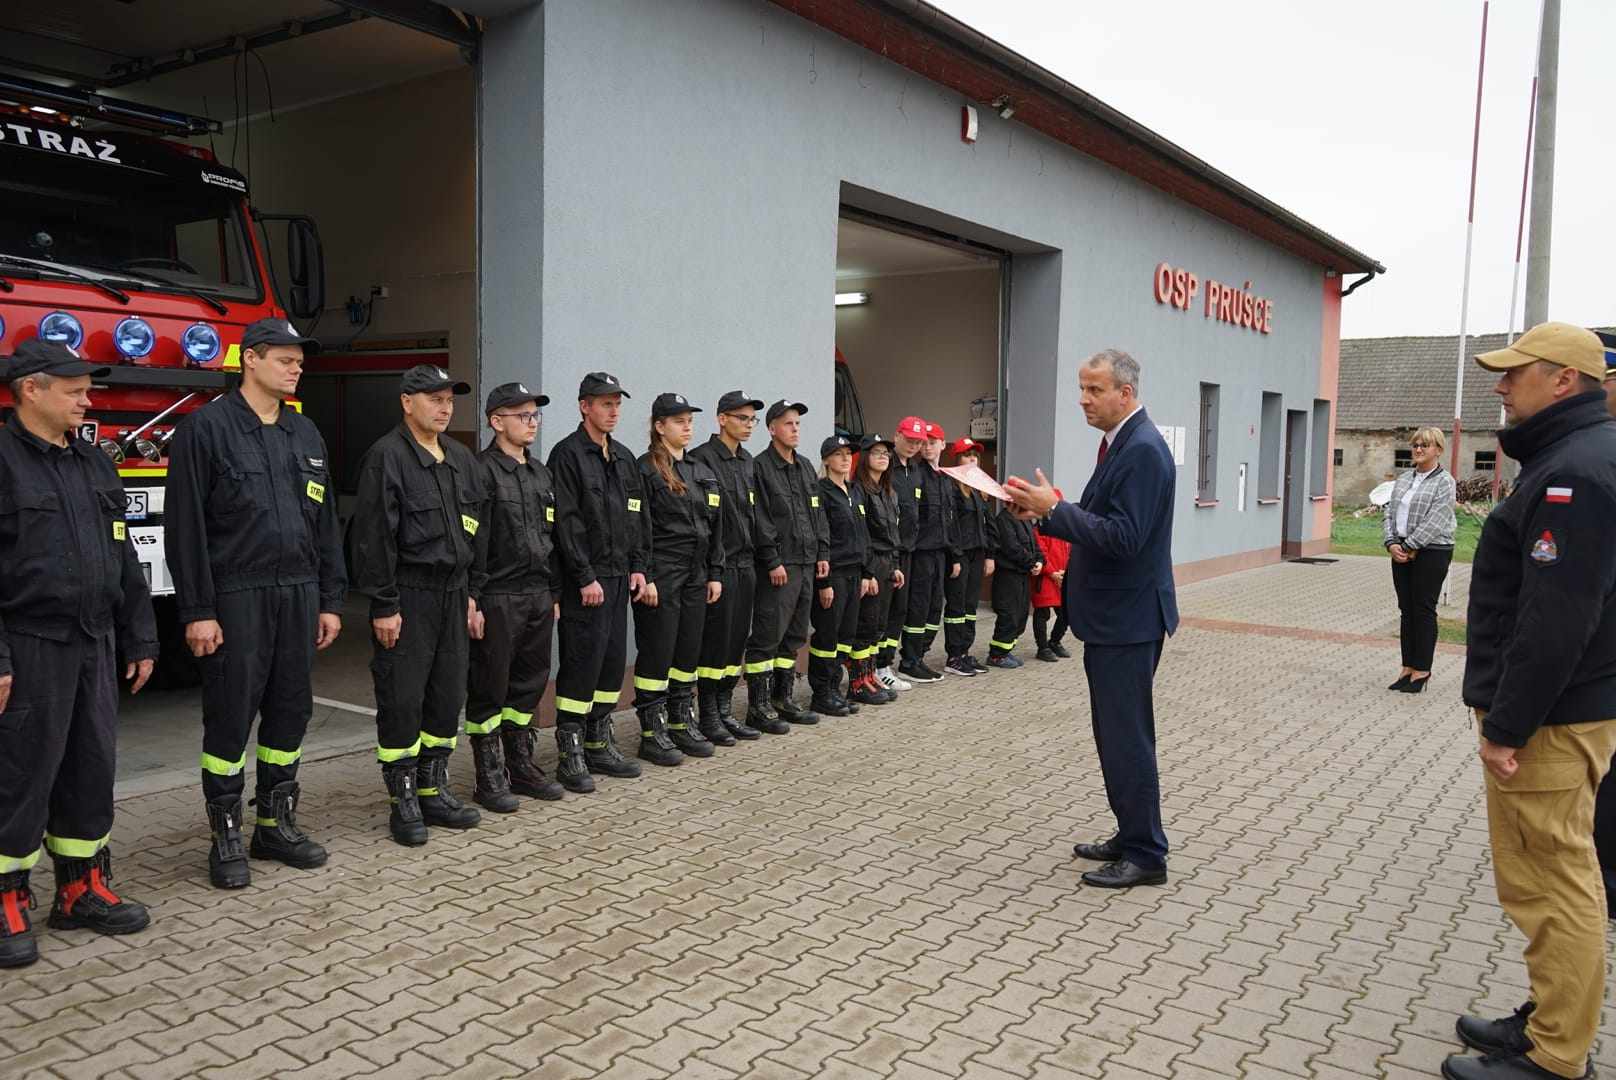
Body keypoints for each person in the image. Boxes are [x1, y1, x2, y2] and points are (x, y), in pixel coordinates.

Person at [1447, 322, 1616, 1080]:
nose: (1501, 384)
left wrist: (1507, 725)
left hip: (1552, 716)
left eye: (1516, 372)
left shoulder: (1574, 473)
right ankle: (1551, 1018)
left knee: (1553, 883)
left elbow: (1556, 620)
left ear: (1563, 380)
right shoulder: (1575, 456)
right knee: (1546, 879)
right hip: (1569, 706)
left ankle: (1554, 1055)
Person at [165, 318, 346, 889]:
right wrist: (198, 610)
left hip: (298, 592)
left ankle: (275, 824)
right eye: (285, 360)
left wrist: (330, 598)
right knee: (230, 715)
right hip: (236, 596)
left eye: (300, 362)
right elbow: (185, 530)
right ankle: (226, 835)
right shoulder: (205, 430)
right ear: (250, 359)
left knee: (291, 709)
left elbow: (325, 523)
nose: (296, 369)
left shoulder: (305, 432)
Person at [0, 340, 156, 968]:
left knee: (90, 766)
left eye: (88, 390)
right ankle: (6, 897)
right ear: (30, 390)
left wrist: (140, 635)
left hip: (94, 642)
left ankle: (80, 888)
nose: (87, 401)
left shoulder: (93, 462)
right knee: (20, 772)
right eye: (74, 391)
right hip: (30, 642)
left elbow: (124, 553)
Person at [1005, 348, 1177, 891]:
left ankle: (1146, 854)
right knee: (1115, 734)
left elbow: (1124, 538)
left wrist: (1056, 509)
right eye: (1082, 388)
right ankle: (1132, 833)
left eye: (1094, 389)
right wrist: (1046, 513)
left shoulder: (1142, 449)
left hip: (1129, 620)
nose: (1083, 399)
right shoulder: (1122, 443)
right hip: (1115, 618)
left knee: (1127, 737)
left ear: (1125, 393)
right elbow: (1104, 518)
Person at [347, 365, 487, 845]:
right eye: (434, 399)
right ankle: (403, 799)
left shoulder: (461, 458)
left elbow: (478, 530)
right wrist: (385, 604)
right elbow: (373, 538)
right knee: (403, 698)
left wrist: (473, 593)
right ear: (407, 402)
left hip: (454, 593)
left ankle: (434, 789)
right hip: (409, 595)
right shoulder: (387, 457)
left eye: (449, 399)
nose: (445, 408)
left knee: (446, 696)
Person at [548, 372, 652, 788]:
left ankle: (598, 741)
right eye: (605, 403)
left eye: (617, 404)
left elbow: (637, 515)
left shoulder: (623, 457)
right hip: (586, 584)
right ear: (584, 406)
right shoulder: (567, 455)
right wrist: (584, 575)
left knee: (611, 663)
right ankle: (570, 751)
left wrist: (639, 565)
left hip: (618, 577)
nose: (613, 411)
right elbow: (566, 522)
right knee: (582, 663)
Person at [464, 382, 565, 811]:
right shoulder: (480, 471)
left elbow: (552, 537)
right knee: (490, 684)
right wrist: (472, 598)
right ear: (496, 421)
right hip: (498, 595)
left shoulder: (540, 473)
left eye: (535, 415)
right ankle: (488, 775)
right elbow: (473, 540)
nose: (532, 422)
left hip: (537, 594)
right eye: (522, 415)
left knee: (529, 681)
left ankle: (519, 763)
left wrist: (553, 593)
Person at [633, 393, 725, 764]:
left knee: (687, 651)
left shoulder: (699, 470)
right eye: (678, 421)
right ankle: (652, 732)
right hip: (664, 573)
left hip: (696, 573)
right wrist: (648, 574)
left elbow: (715, 526)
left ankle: (680, 722)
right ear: (659, 426)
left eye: (689, 421)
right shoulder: (646, 469)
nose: (687, 427)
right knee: (658, 651)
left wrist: (714, 573)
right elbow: (639, 528)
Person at [690, 390, 778, 739]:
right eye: (742, 418)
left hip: (746, 564)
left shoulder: (748, 462)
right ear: (722, 419)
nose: (749, 424)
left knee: (736, 641)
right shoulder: (702, 459)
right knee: (715, 641)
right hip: (719, 566)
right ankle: (708, 714)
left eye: (752, 419)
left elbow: (758, 516)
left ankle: (725, 709)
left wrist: (767, 557)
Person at [745, 400, 829, 726]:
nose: (795, 429)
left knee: (794, 636)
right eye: (788, 424)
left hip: (806, 564)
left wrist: (822, 555)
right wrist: (772, 559)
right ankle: (758, 706)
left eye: (797, 424)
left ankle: (783, 698)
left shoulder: (805, 467)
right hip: (780, 567)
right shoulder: (760, 467)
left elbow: (817, 515)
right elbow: (760, 519)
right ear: (771, 429)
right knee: (768, 635)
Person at [1381, 426, 1457, 695]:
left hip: (1432, 550)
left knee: (1423, 609)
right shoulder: (1403, 479)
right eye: (1415, 445)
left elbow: (1437, 519)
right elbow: (1388, 513)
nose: (1418, 449)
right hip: (1401, 550)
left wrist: (1411, 545)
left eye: (1425, 445)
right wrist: (1391, 543)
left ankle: (1422, 669)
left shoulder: (1445, 482)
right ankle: (1407, 667)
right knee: (1406, 609)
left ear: (1438, 449)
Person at [808, 434, 874, 716]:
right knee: (827, 636)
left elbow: (864, 534)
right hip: (833, 574)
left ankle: (835, 689)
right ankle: (821, 693)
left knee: (846, 636)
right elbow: (820, 536)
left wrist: (867, 572)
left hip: (854, 574)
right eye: (838, 454)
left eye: (848, 454)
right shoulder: (821, 491)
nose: (846, 458)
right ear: (826, 460)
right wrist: (823, 581)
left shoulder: (855, 491)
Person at [897, 420, 958, 684]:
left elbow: (950, 520)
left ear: (943, 445)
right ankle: (910, 660)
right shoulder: (917, 473)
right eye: (924, 443)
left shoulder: (944, 478)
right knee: (918, 607)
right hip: (921, 551)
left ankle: (920, 654)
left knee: (934, 608)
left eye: (932, 443)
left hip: (940, 552)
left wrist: (954, 555)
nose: (927, 448)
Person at [850, 433, 903, 706]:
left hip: (885, 564)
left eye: (886, 453)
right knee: (865, 624)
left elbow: (892, 534)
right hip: (870, 565)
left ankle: (870, 676)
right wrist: (867, 572)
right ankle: (858, 682)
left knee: (878, 626)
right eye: (876, 452)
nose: (883, 457)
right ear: (864, 457)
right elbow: (862, 536)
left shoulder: (888, 492)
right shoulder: (859, 490)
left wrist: (894, 566)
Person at [877, 417, 927, 691]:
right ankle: (874, 666)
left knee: (899, 610)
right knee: (882, 611)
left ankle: (885, 664)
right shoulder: (886, 466)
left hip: (909, 551)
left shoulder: (916, 471)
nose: (913, 445)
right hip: (887, 552)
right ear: (897, 436)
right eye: (909, 440)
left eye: (918, 442)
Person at [942, 437, 993, 678]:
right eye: (967, 455)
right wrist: (955, 556)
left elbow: (988, 525)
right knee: (957, 605)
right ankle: (954, 656)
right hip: (960, 555)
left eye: (975, 455)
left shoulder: (979, 490)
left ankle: (964, 652)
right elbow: (950, 527)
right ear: (957, 459)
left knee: (970, 606)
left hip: (977, 553)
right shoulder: (952, 488)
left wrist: (990, 555)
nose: (972, 459)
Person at [986, 499, 1041, 668]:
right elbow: (1012, 548)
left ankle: (1005, 650)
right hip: (1008, 576)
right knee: (1008, 615)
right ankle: (996, 655)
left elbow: (1035, 545)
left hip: (1022, 575)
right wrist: (1032, 563)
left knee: (1020, 615)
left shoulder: (1024, 520)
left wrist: (1040, 561)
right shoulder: (1003, 520)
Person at [1031, 508, 1072, 662]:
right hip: (1046, 578)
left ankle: (1054, 641)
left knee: (1065, 613)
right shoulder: (1039, 530)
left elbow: (1069, 553)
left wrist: (1065, 572)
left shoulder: (1062, 531)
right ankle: (1042, 648)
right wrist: (1053, 573)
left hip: (1060, 578)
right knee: (1042, 613)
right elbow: (1041, 554)